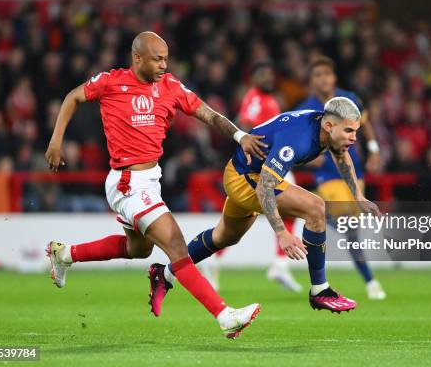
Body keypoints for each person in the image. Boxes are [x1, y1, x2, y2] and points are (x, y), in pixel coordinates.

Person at [44, 31, 266, 339]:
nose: (164, 64)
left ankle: (65, 254)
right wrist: (56, 141)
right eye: (157, 59)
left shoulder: (171, 87)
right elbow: (73, 97)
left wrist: (240, 137)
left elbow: (208, 114)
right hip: (127, 183)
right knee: (176, 244)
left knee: (138, 249)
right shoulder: (111, 82)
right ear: (138, 58)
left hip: (150, 180)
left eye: (166, 58)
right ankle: (225, 315)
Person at [149, 96, 382, 316]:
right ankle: (320, 289)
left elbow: (341, 155)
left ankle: (166, 273)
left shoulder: (324, 128)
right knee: (315, 207)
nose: (353, 138)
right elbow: (264, 188)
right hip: (247, 177)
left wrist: (358, 196)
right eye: (349, 131)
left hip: (247, 172)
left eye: (355, 131)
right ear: (330, 126)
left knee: (223, 237)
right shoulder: (298, 139)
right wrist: (282, 233)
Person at [202, 61, 302, 293]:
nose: (268, 79)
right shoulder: (257, 99)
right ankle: (275, 263)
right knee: (250, 219)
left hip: (274, 165)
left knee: (288, 210)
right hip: (265, 168)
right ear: (254, 79)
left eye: (270, 75)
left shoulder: (264, 98)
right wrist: (249, 151)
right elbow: (245, 122)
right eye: (263, 75)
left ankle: (278, 263)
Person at [297, 56, 386, 300]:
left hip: (353, 173)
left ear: (334, 77)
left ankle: (314, 217)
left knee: (350, 229)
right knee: (350, 226)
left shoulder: (349, 99)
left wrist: (374, 149)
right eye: (317, 75)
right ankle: (370, 281)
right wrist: (306, 158)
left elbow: (365, 124)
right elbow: (298, 142)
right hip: (327, 176)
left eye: (326, 73)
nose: (323, 78)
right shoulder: (306, 108)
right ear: (312, 82)